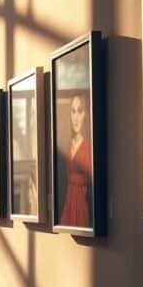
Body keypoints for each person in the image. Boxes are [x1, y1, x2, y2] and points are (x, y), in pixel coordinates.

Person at [60, 93, 92, 227]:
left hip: (82, 204)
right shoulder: (67, 145)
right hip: (68, 202)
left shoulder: (89, 146)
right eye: (73, 112)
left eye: (80, 111)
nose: (76, 118)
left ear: (85, 115)